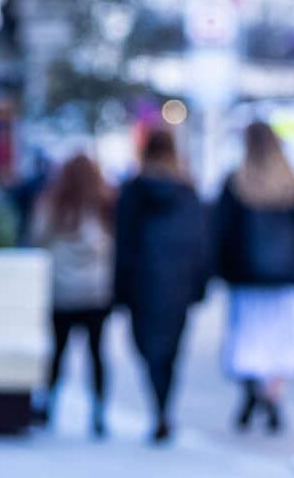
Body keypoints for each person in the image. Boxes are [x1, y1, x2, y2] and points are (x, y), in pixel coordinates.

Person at [213, 121, 294, 435]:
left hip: (245, 277)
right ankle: (274, 393)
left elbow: (222, 231)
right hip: (283, 277)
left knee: (246, 335)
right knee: (281, 337)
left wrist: (223, 269)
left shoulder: (236, 182)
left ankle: (251, 391)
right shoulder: (290, 182)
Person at [112, 126, 209, 445]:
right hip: (178, 282)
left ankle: (159, 407)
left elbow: (122, 242)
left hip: (142, 281)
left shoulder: (133, 190)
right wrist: (199, 283)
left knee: (148, 348)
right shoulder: (187, 191)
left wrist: (119, 287)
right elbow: (201, 242)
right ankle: (164, 408)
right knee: (170, 351)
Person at [32, 152, 117, 438]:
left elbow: (36, 238)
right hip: (96, 292)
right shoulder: (106, 204)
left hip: (62, 292)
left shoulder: (52, 203)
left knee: (58, 352)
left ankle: (48, 406)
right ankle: (99, 412)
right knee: (96, 353)